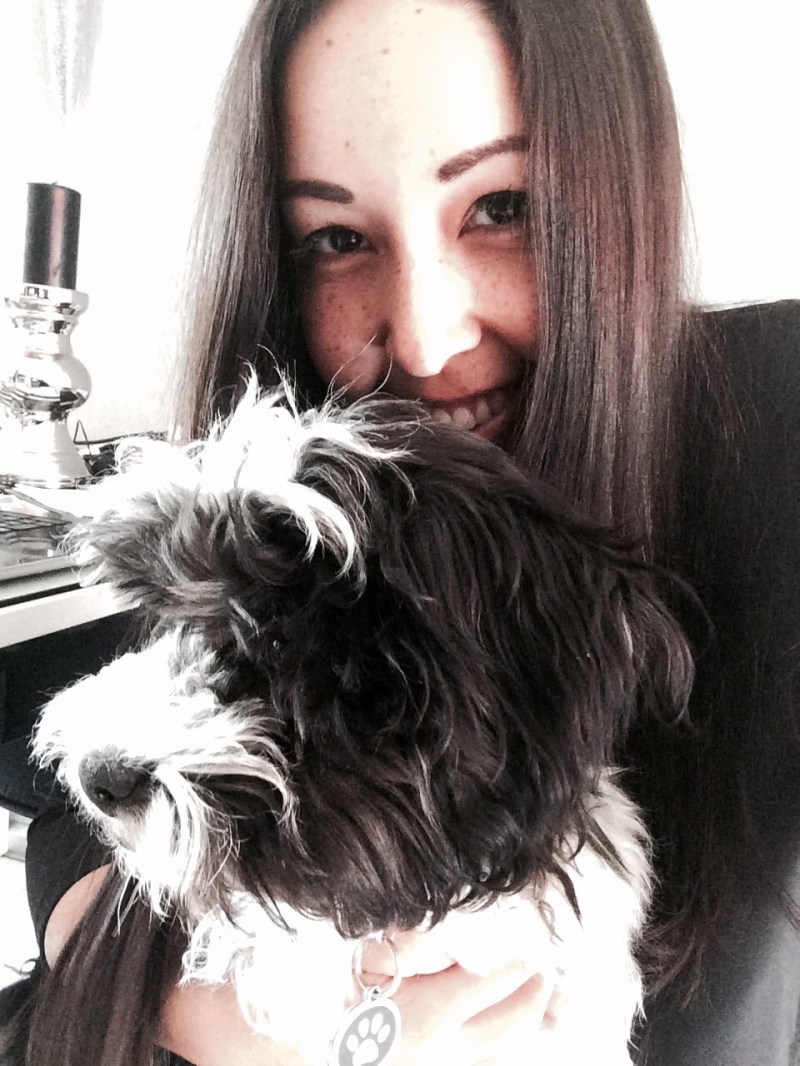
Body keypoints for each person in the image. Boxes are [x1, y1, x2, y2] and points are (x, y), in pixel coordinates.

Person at [9, 0, 799, 1063]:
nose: (426, 341)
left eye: (503, 206)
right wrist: (230, 1018)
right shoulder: (292, 465)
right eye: (335, 238)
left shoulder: (779, 420)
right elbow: (83, 791)